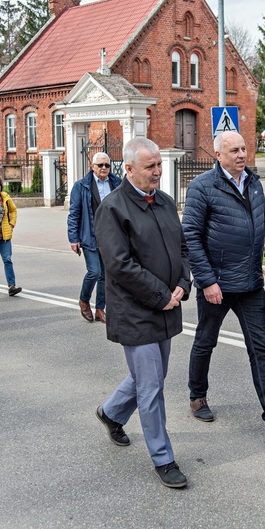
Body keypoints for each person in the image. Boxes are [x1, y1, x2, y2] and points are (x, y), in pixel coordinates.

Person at [182, 131, 265, 438]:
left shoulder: (252, 182)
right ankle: (197, 395)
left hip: (251, 283)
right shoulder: (203, 187)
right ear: (219, 155)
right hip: (218, 285)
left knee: (261, 348)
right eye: (234, 150)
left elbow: (261, 223)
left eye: (244, 148)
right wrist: (208, 281)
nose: (241, 154)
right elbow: (191, 236)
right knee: (206, 341)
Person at [94, 137, 191, 489]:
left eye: (159, 164)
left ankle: (112, 412)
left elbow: (182, 248)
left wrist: (183, 282)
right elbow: (119, 265)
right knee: (151, 386)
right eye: (150, 166)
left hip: (165, 305)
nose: (158, 171)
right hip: (136, 311)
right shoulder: (113, 208)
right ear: (129, 169)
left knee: (152, 376)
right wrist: (159, 294)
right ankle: (163, 458)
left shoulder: (164, 202)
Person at [67, 152, 121, 323]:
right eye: (100, 165)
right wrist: (73, 238)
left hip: (110, 236)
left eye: (107, 165)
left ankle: (100, 308)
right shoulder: (81, 186)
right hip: (89, 235)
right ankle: (84, 300)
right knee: (94, 271)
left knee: (105, 274)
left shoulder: (116, 183)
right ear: (92, 166)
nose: (104, 168)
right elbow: (74, 213)